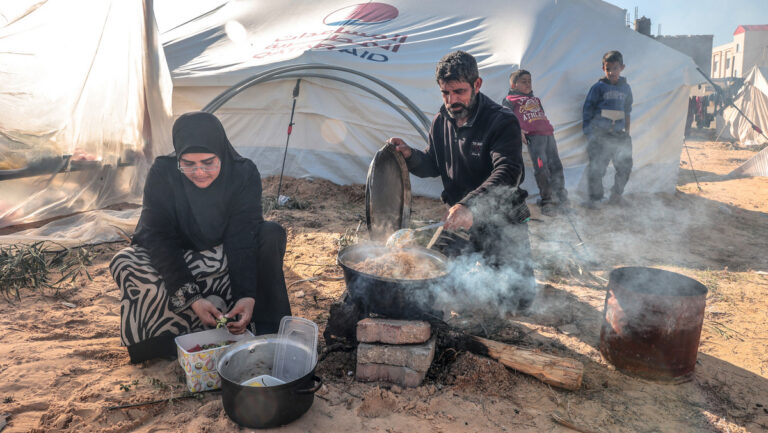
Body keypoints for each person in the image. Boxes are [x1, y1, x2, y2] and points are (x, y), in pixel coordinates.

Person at [110, 111, 291, 363]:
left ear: (221, 154)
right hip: (176, 255)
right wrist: (192, 298)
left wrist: (246, 295)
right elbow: (159, 237)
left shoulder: (242, 173)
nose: (199, 172)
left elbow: (242, 235)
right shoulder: (163, 173)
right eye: (188, 164)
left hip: (223, 252)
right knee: (125, 262)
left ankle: (266, 330)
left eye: (209, 162)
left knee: (270, 233)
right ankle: (163, 343)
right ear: (178, 159)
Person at [388, 51, 536, 312]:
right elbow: (434, 163)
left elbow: (509, 172)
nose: (451, 100)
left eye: (459, 91)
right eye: (445, 93)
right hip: (459, 222)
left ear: (477, 85)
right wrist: (411, 157)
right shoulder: (441, 120)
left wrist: (471, 205)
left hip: (502, 220)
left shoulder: (501, 121)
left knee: (516, 302)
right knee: (428, 280)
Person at [502, 69, 568, 216]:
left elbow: (542, 114)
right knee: (541, 167)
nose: (528, 84)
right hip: (533, 137)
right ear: (513, 85)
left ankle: (562, 198)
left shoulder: (536, 99)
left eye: (529, 81)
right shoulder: (510, 100)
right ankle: (547, 201)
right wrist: (518, 131)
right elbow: (506, 117)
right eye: (523, 81)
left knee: (556, 166)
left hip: (548, 135)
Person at [582, 50, 633, 208]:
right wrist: (590, 134)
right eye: (608, 68)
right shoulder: (598, 88)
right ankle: (596, 199)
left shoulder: (626, 88)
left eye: (615, 68)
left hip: (619, 135)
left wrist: (627, 133)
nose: (612, 72)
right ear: (603, 68)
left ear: (622, 68)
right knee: (597, 168)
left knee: (625, 166)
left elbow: (627, 110)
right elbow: (587, 110)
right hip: (600, 135)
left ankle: (616, 195)